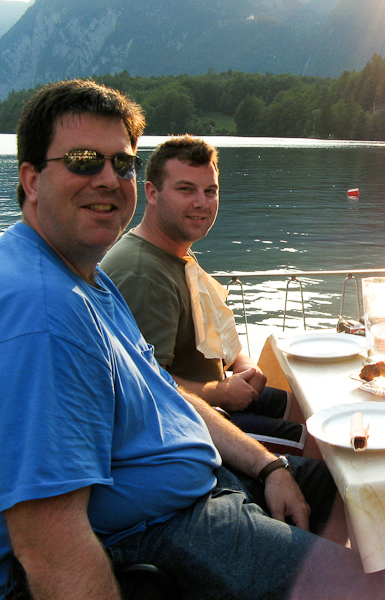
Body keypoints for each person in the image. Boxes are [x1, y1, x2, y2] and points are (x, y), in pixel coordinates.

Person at [0, 79, 385, 600]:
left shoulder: (88, 280)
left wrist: (269, 465)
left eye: (121, 163)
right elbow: (50, 547)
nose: (107, 179)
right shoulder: (41, 313)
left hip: (203, 486)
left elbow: (168, 398)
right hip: (156, 534)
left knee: (333, 488)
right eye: (83, 160)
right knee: (382, 590)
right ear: (32, 179)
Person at [100, 135, 306, 453]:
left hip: (213, 397)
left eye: (210, 191)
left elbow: (214, 337)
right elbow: (146, 388)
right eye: (186, 189)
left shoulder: (175, 253)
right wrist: (220, 393)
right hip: (180, 429)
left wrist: (244, 366)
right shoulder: (143, 275)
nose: (202, 202)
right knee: (317, 442)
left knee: (305, 408)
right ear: (151, 193)